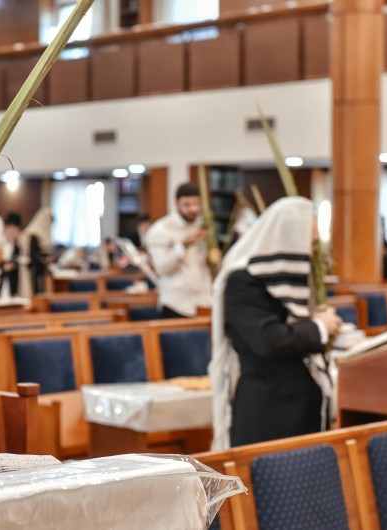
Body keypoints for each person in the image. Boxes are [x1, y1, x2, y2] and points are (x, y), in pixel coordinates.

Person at [209, 197, 343, 450]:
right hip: (269, 412)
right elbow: (268, 341)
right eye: (308, 245)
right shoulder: (243, 281)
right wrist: (319, 327)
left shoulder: (288, 280)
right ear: (286, 239)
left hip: (303, 408)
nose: (311, 254)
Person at [145, 183, 212, 318]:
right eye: (187, 205)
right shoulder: (160, 230)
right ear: (177, 203)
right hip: (176, 304)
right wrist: (183, 245)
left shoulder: (202, 227)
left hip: (204, 302)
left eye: (196, 204)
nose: (193, 209)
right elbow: (162, 269)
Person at [18, 207, 53, 297]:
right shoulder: (33, 235)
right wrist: (44, 261)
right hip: (31, 272)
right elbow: (33, 257)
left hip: (35, 272)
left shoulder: (36, 234)